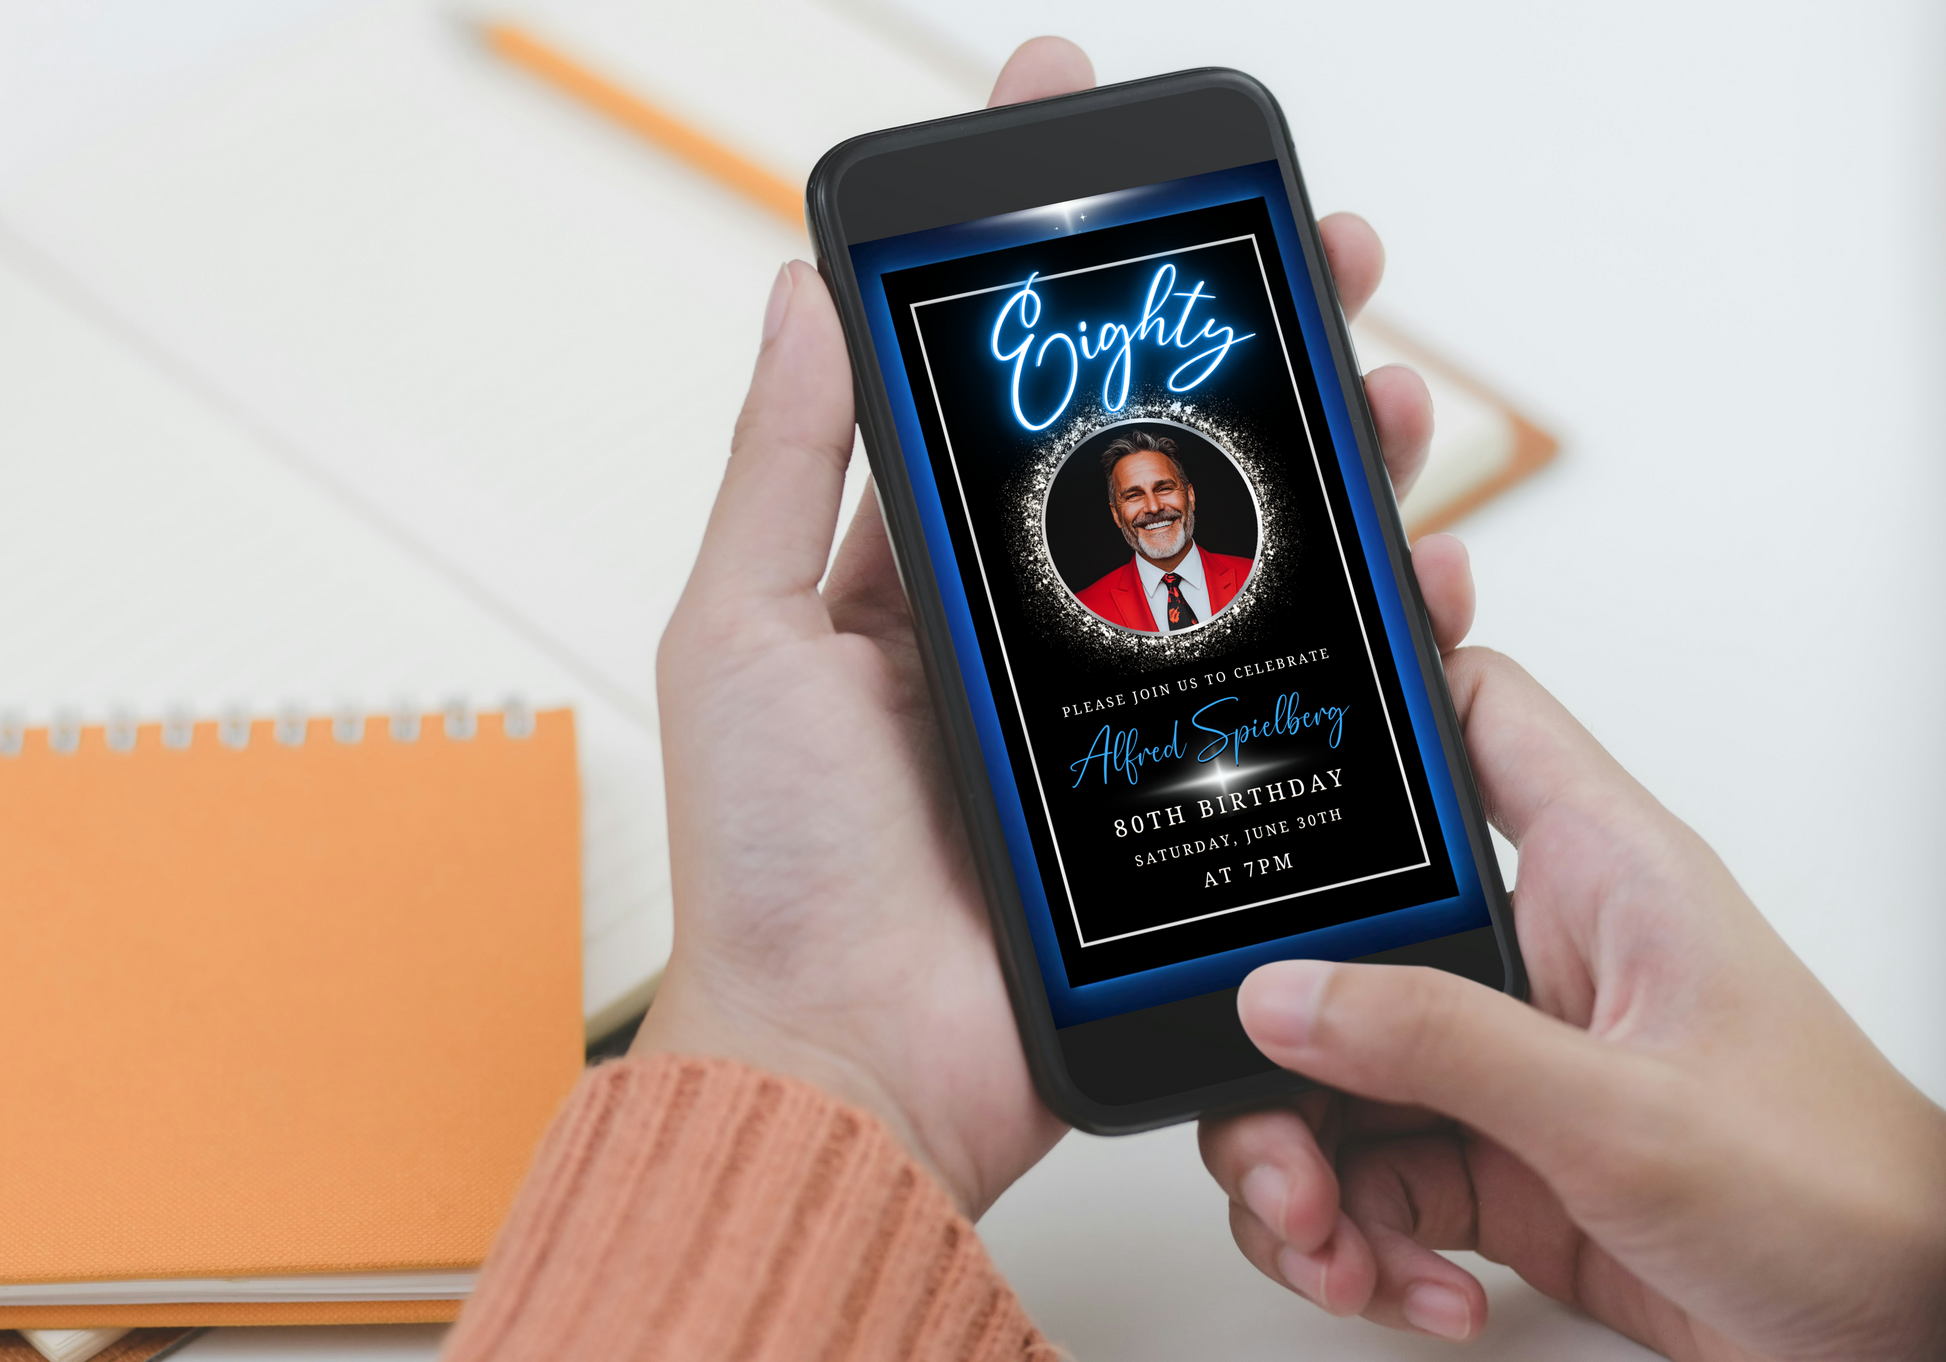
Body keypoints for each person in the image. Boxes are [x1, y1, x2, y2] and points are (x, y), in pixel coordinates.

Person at [441, 37, 1946, 1362]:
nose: (1159, 505)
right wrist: (818, 1053)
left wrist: (1898, 1286)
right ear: (1110, 514)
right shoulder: (1091, 605)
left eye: (1171, 482)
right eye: (1135, 492)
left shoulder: (1236, 562)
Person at [1072, 429, 1252, 632]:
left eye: (1164, 488)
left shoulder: (1255, 576)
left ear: (1190, 496)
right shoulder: (1083, 610)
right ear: (1116, 515)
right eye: (1133, 495)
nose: (1154, 507)